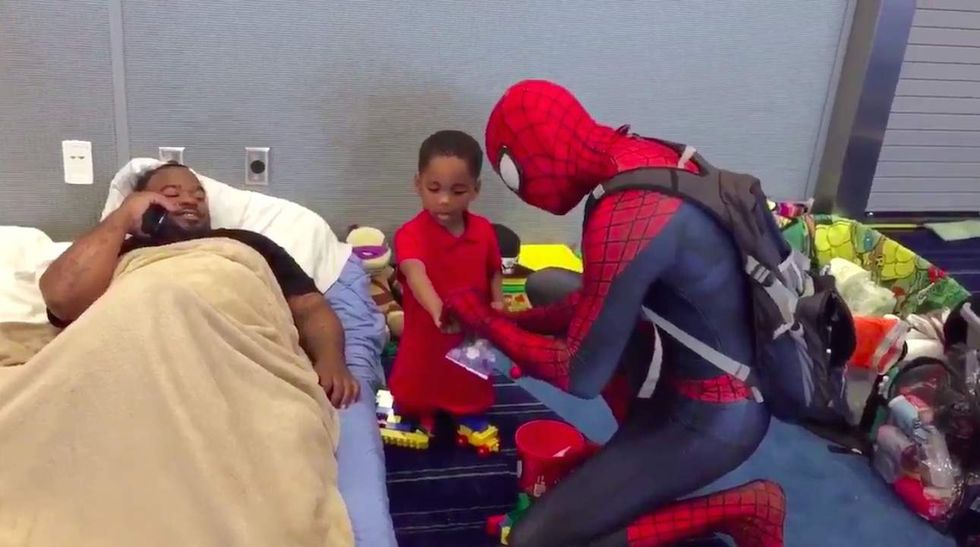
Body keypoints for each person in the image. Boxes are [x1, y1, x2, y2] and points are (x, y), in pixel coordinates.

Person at [444, 80, 787, 546]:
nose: (523, 195)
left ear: (540, 152)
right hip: (690, 352)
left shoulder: (625, 213)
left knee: (536, 540)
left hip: (716, 412)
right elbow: (596, 299)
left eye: (514, 175)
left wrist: (485, 321)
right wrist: (511, 326)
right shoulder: (638, 156)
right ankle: (632, 452)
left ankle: (748, 506)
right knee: (548, 283)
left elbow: (579, 373)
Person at [39, 161, 360, 409]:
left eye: (198, 195)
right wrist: (121, 218)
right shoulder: (118, 253)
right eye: (171, 194)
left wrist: (331, 359)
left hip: (236, 364)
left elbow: (309, 306)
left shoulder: (246, 244)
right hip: (137, 369)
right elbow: (63, 298)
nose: (190, 200)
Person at [387, 130, 504, 444]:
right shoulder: (410, 234)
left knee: (470, 377)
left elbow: (494, 270)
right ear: (418, 184)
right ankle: (417, 412)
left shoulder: (484, 231)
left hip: (472, 329)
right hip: (428, 328)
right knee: (418, 376)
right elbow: (415, 274)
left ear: (475, 190)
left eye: (458, 190)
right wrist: (439, 311)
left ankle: (468, 412)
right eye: (434, 188)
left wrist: (498, 301)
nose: (444, 200)